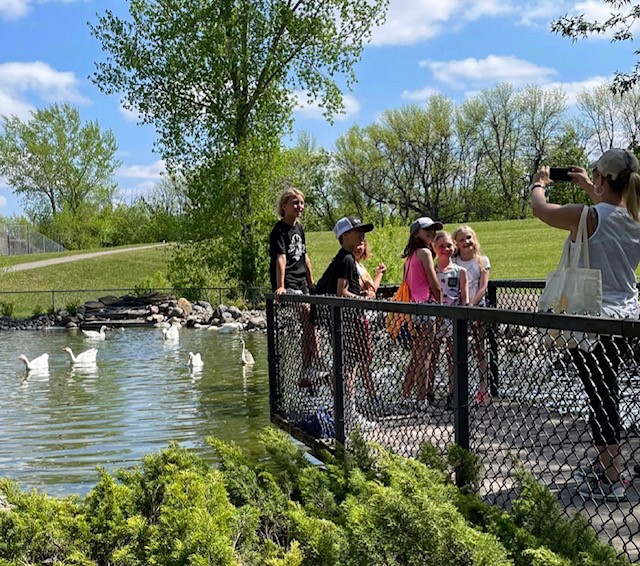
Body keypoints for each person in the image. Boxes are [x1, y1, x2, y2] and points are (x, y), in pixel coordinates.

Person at [530, 148, 640, 502]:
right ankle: (608, 465)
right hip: (629, 316)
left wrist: (539, 183)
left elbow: (540, 211)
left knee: (601, 394)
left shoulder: (588, 216)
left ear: (604, 179)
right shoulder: (635, 217)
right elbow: (612, 211)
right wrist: (592, 188)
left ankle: (612, 474)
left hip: (593, 319)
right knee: (616, 392)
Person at [315, 215, 378, 412]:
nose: (362, 235)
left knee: (347, 363)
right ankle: (346, 409)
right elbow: (341, 292)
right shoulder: (347, 259)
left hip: (343, 318)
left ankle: (343, 407)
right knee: (348, 365)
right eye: (357, 232)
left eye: (363, 232)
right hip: (346, 320)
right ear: (345, 235)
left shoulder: (345, 258)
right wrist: (364, 300)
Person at [269, 186, 325, 384]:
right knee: (305, 313)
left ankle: (306, 370)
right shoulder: (279, 230)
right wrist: (280, 286)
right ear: (284, 206)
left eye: (301, 203)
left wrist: (311, 283)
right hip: (289, 282)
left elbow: (305, 256)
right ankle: (316, 361)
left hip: (301, 282)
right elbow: (281, 258)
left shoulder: (299, 229)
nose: (299, 206)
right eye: (295, 203)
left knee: (310, 321)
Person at [400, 217, 442, 410]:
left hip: (412, 309)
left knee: (416, 356)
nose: (432, 233)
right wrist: (441, 304)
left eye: (434, 230)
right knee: (425, 355)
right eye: (427, 230)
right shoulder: (425, 252)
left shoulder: (409, 257)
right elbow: (433, 283)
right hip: (426, 307)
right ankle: (421, 400)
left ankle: (405, 396)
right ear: (416, 233)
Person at [428, 231, 468, 410]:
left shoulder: (460, 272)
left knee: (452, 356)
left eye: (448, 245)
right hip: (436, 317)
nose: (445, 249)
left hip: (453, 317)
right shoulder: (432, 271)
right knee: (432, 354)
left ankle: (453, 393)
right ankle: (428, 391)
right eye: (441, 246)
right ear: (435, 248)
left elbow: (464, 298)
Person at [453, 225, 491, 405]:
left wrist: (471, 305)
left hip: (476, 308)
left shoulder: (481, 261)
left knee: (480, 348)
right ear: (456, 244)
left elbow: (483, 287)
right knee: (454, 350)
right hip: (456, 308)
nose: (466, 242)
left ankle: (483, 389)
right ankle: (455, 389)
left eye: (469, 238)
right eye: (461, 240)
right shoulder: (454, 261)